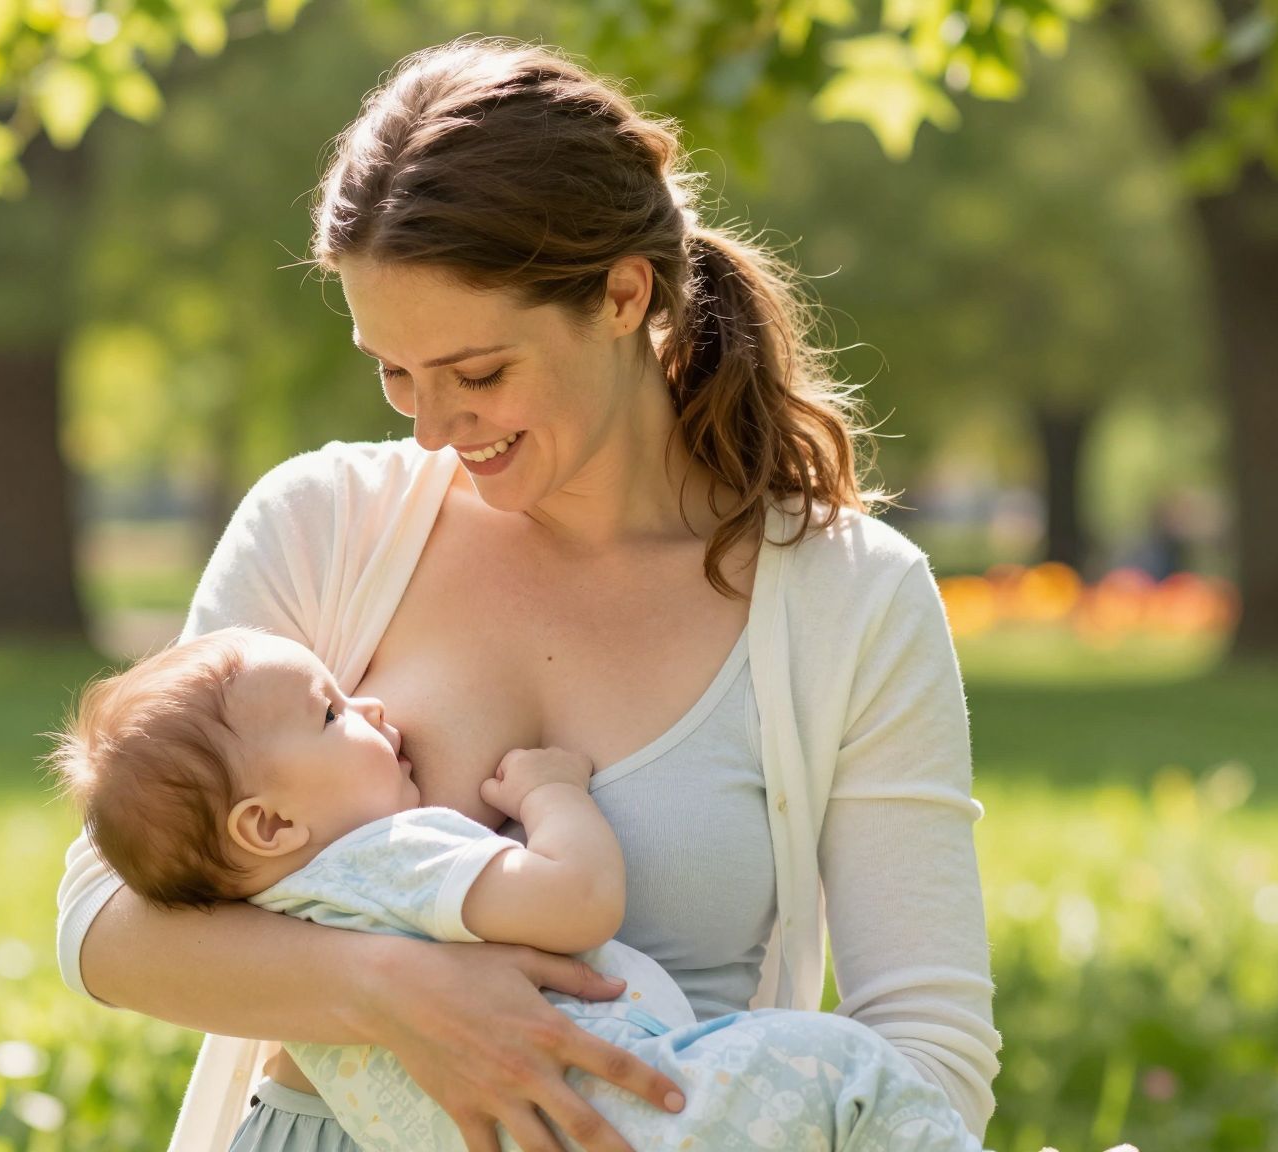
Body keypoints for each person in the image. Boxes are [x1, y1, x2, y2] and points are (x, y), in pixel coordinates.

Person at [54, 37, 1000, 1152]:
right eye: (392, 371)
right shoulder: (323, 525)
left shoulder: (849, 600)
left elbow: (925, 1052)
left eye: (477, 372)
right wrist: (397, 995)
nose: (432, 427)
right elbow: (106, 924)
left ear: (620, 294)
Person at [50, 627, 985, 1151]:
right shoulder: (387, 858)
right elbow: (576, 900)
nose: (371, 706)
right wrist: (552, 795)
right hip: (628, 1114)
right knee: (842, 1069)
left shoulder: (255, 904)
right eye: (332, 713)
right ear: (268, 825)